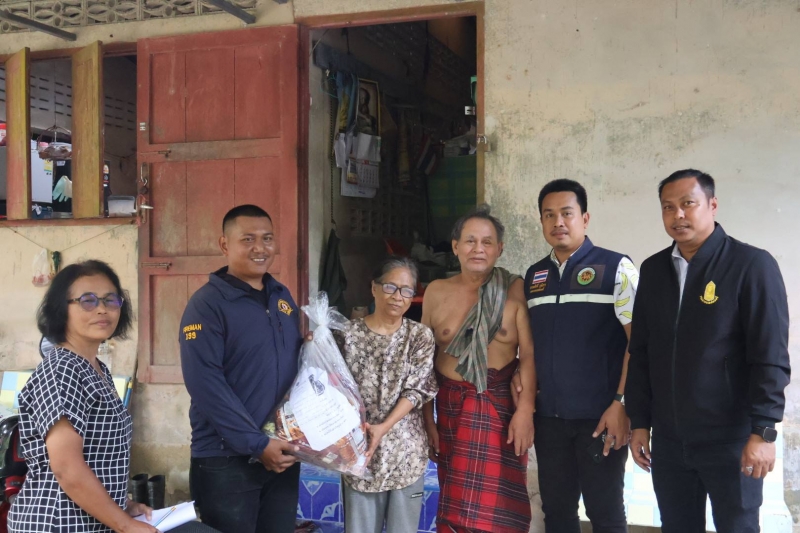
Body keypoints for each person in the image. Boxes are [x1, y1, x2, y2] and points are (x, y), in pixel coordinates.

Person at [626, 169, 791, 533]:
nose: (678, 215)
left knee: (737, 527)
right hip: (670, 442)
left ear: (712, 205)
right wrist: (639, 422)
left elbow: (770, 355)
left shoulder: (751, 265)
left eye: (688, 204)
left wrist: (763, 431)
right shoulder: (654, 270)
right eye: (668, 207)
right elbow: (642, 352)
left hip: (731, 440)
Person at [180, 204, 303, 533]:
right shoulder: (207, 305)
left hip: (280, 453)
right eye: (248, 239)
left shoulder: (281, 297)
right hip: (226, 460)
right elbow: (206, 384)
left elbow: (293, 367)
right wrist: (256, 444)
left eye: (267, 238)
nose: (260, 248)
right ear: (225, 245)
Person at [9, 260, 157, 532]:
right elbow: (67, 467)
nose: (102, 309)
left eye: (111, 300)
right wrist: (124, 525)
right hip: (57, 522)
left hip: (89, 521)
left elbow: (98, 458)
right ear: (61, 309)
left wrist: (122, 505)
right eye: (87, 301)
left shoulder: (96, 369)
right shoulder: (62, 369)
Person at [523, 179, 636, 533]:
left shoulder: (617, 267)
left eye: (566, 213)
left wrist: (621, 404)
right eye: (549, 215)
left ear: (584, 219)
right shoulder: (535, 276)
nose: (558, 222)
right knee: (557, 513)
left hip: (601, 419)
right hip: (550, 420)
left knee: (605, 513)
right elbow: (530, 347)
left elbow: (638, 344)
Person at [422, 205, 536, 533]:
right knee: (455, 508)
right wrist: (427, 420)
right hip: (451, 409)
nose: (478, 249)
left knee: (501, 512)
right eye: (470, 241)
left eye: (487, 242)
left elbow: (529, 355)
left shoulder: (515, 290)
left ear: (499, 248)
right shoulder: (436, 292)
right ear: (455, 246)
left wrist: (525, 411)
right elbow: (423, 362)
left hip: (500, 410)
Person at [338, 257, 437, 533]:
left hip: (406, 452)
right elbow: (332, 385)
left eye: (406, 290)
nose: (397, 296)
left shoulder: (419, 336)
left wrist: (383, 427)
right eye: (390, 287)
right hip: (360, 450)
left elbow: (417, 389)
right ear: (374, 288)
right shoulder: (348, 334)